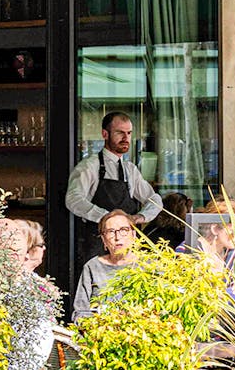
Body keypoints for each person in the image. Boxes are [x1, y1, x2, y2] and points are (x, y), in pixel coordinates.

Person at [64, 112, 163, 263]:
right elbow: (73, 199)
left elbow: (155, 200)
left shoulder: (130, 170)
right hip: (97, 246)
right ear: (105, 134)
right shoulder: (89, 166)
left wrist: (139, 217)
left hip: (128, 250)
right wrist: (105, 218)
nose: (125, 138)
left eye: (129, 133)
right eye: (119, 133)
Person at [71, 210, 139, 321]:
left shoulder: (149, 265)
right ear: (104, 240)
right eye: (111, 231)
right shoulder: (92, 267)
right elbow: (80, 312)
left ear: (134, 235)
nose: (117, 237)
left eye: (124, 230)